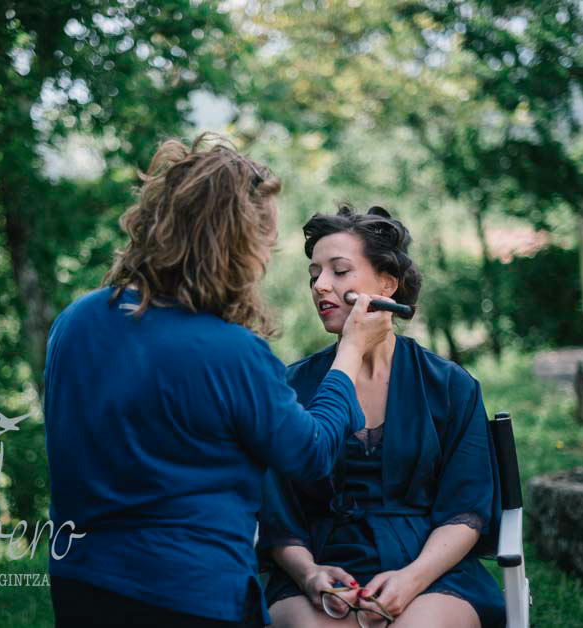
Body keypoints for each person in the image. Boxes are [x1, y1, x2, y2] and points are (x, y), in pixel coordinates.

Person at [43, 135, 395, 628]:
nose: (264, 261)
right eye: (261, 244)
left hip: (80, 583)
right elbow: (310, 453)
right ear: (229, 243)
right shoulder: (231, 352)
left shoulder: (74, 322)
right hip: (188, 593)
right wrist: (352, 351)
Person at [257, 204, 506, 628]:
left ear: (387, 284)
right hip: (319, 569)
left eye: (339, 271)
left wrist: (411, 580)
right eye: (314, 273)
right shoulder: (290, 386)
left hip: (432, 569)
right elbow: (279, 516)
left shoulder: (450, 386)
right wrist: (310, 573)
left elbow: (466, 509)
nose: (320, 285)